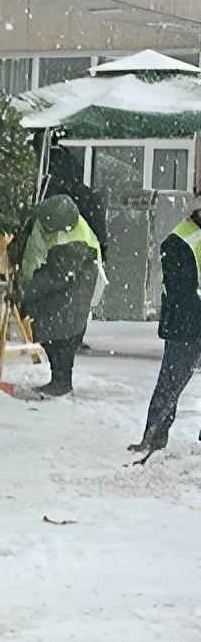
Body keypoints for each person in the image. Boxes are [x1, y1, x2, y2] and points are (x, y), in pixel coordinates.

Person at [12, 193, 103, 399]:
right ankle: (59, 379)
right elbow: (31, 239)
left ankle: (62, 381)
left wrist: (26, 292)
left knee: (64, 334)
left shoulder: (75, 239)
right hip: (53, 283)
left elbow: (55, 277)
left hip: (74, 287)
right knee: (52, 330)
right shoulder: (46, 218)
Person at [131, 191, 201, 453]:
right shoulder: (180, 242)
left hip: (188, 322)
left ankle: (155, 435)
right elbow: (179, 291)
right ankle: (154, 436)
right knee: (170, 383)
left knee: (170, 383)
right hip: (188, 324)